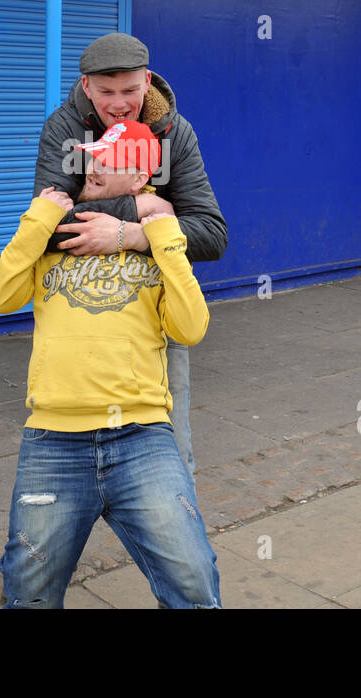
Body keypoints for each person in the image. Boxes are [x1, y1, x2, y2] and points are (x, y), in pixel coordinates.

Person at [0, 119, 221, 609]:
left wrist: (160, 237)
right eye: (92, 157)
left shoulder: (156, 240)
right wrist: (37, 218)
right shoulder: (54, 233)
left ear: (141, 178)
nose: (91, 168)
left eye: (108, 161)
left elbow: (191, 328)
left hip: (142, 437)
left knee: (194, 581)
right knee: (28, 592)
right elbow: (2, 296)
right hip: (53, 440)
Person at [32, 32, 226, 481]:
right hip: (76, 317)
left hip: (156, 319)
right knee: (65, 467)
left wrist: (132, 235)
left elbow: (212, 234)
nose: (119, 104)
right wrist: (144, 206)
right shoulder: (65, 130)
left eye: (131, 91)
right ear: (86, 87)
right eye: (106, 92)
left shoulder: (176, 134)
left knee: (173, 454)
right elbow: (45, 228)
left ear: (148, 81)